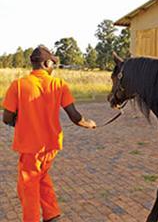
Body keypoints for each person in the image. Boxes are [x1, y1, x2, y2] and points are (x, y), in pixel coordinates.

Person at [2, 45, 96, 222]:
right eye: (53, 63)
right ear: (46, 63)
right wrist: (89, 124)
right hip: (51, 146)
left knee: (28, 186)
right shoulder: (59, 84)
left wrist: (19, 122)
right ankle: (52, 214)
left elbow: (6, 117)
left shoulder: (19, 85)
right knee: (41, 177)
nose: (54, 67)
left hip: (30, 147)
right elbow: (75, 116)